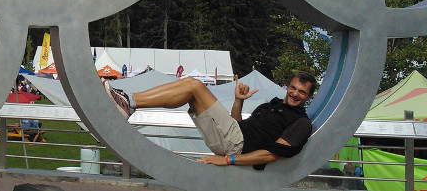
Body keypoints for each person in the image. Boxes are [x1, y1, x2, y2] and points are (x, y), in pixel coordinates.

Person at [107, 71, 316, 169]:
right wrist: (238, 101)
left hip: (236, 148)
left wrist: (228, 160)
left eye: (302, 92)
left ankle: (128, 102)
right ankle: (129, 101)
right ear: (288, 86)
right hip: (234, 137)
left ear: (309, 97)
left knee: (194, 87)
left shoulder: (301, 123)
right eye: (293, 88)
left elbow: (271, 155)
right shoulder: (272, 105)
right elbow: (236, 124)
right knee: (190, 84)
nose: (295, 94)